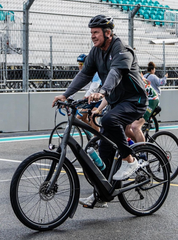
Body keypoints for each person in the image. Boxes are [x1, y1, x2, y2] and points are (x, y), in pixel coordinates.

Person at [52, 15, 148, 208]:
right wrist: (65, 95)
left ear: (108, 33)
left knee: (109, 120)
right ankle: (103, 195)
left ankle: (130, 160)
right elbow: (85, 74)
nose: (93, 36)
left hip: (134, 100)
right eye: (91, 33)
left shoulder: (122, 50)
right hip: (116, 102)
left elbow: (115, 74)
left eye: (96, 32)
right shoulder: (95, 52)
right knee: (104, 148)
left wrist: (102, 92)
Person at [125, 73, 159, 143]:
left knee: (135, 126)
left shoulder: (131, 74)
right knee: (126, 129)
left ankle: (142, 150)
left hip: (151, 100)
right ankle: (137, 145)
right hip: (141, 99)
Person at [76, 53, 102, 132]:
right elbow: (75, 86)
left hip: (100, 100)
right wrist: (68, 97)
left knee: (92, 117)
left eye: (82, 64)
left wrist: (82, 99)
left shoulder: (96, 73)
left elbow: (93, 88)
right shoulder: (81, 74)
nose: (80, 66)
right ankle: (95, 134)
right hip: (90, 100)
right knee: (80, 118)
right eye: (79, 64)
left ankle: (98, 139)